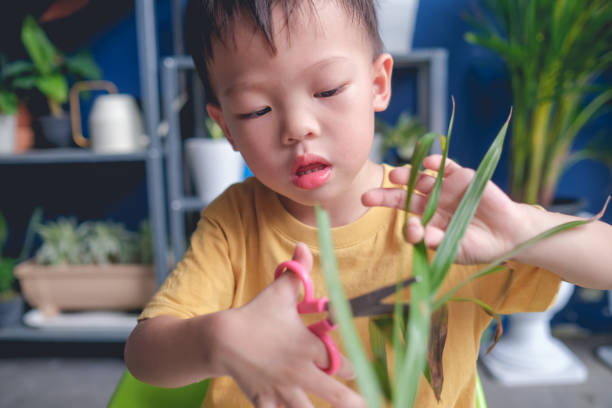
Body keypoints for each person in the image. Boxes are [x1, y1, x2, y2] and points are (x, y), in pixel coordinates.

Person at [124, 1, 612, 407]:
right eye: (257, 109)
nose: (297, 126)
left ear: (379, 84)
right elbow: (144, 355)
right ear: (226, 127)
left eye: (328, 89)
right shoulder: (234, 223)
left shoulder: (441, 217)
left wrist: (523, 232)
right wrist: (220, 341)